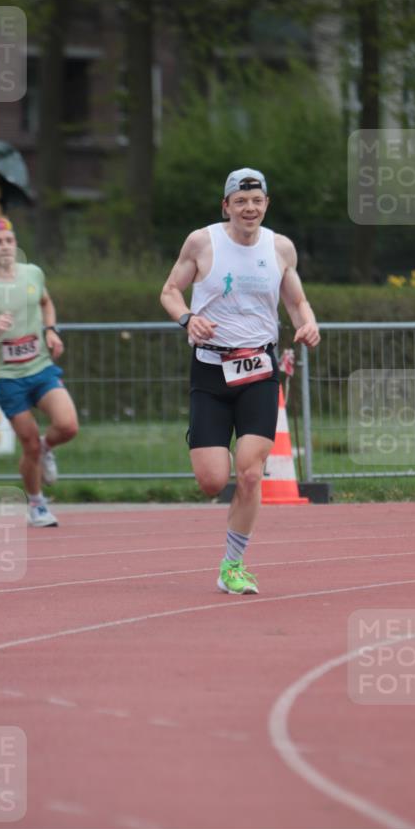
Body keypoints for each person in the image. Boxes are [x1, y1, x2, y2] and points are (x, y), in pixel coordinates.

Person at [160, 168, 320, 594]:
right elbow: (170, 291)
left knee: (250, 474)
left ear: (266, 203)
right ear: (226, 206)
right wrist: (187, 319)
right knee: (213, 480)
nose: (250, 209)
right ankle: (201, 434)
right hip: (211, 370)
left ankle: (232, 564)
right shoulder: (202, 242)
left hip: (259, 371)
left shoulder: (280, 248)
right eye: (241, 202)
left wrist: (309, 325)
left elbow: (298, 301)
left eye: (257, 201)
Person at [0, 217, 79, 527]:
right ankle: (37, 504)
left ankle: (47, 447)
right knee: (27, 443)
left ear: (16, 245)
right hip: (7, 376)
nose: (5, 247)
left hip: (40, 367)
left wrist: (51, 331)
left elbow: (46, 302)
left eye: (9, 241)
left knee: (67, 425)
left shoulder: (32, 273)